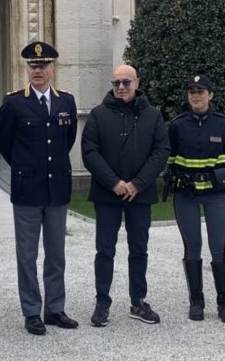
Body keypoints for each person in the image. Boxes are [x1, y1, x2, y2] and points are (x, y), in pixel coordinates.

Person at [0, 41, 80, 335]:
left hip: (57, 188)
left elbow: (67, 140)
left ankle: (55, 309)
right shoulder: (13, 103)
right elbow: (5, 144)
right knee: (27, 254)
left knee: (56, 253)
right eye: (33, 66)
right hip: (27, 189)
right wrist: (25, 166)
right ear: (27, 69)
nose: (38, 71)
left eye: (43, 66)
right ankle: (32, 311)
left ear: (53, 69)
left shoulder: (66, 102)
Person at [81, 64, 170, 327]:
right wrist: (115, 183)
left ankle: (138, 301)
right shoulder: (98, 115)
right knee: (105, 251)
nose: (120, 87)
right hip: (107, 194)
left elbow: (161, 151)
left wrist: (137, 184)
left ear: (136, 83)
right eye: (116, 82)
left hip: (139, 195)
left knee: (139, 250)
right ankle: (102, 304)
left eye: (126, 82)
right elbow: (90, 152)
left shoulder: (153, 116)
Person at [165, 75, 225, 324]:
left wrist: (220, 176)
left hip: (215, 195)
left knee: (219, 248)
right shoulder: (177, 125)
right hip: (186, 195)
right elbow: (170, 160)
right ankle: (196, 302)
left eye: (200, 91)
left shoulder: (223, 125)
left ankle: (224, 304)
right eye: (191, 92)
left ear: (210, 95)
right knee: (192, 247)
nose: (195, 96)